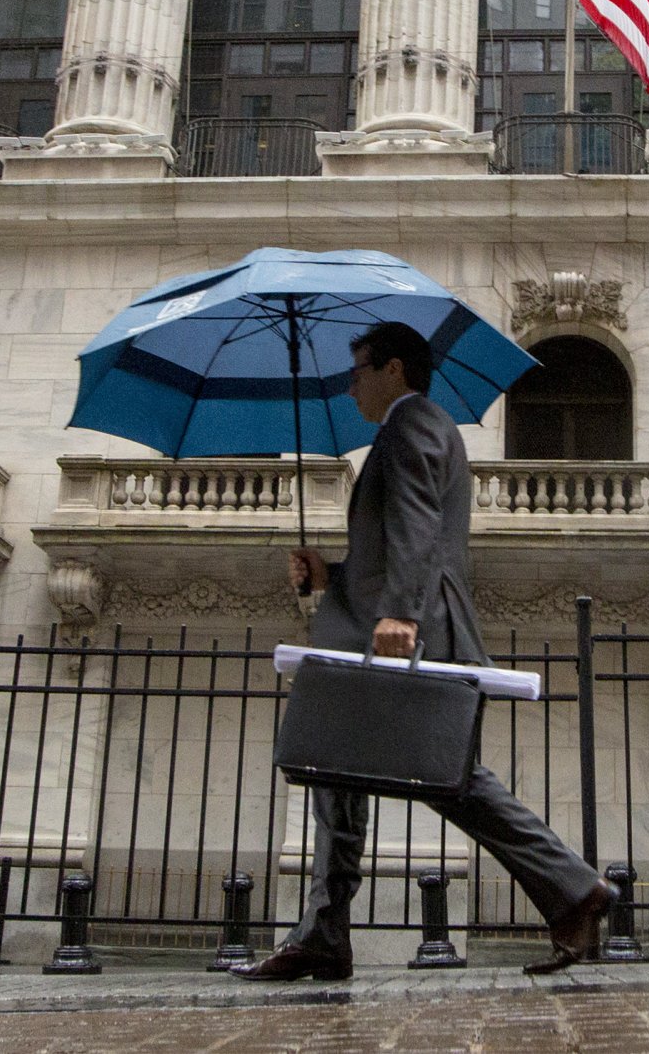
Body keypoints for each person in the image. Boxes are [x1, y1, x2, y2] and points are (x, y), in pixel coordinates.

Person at [234, 322, 610, 983]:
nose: (350, 389)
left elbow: (418, 529)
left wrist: (400, 615)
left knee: (449, 779)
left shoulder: (412, 425)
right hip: (378, 629)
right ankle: (324, 933)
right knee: (337, 772)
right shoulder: (412, 429)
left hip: (406, 633)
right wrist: (329, 574)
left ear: (395, 371)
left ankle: (574, 889)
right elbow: (395, 546)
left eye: (357, 374)